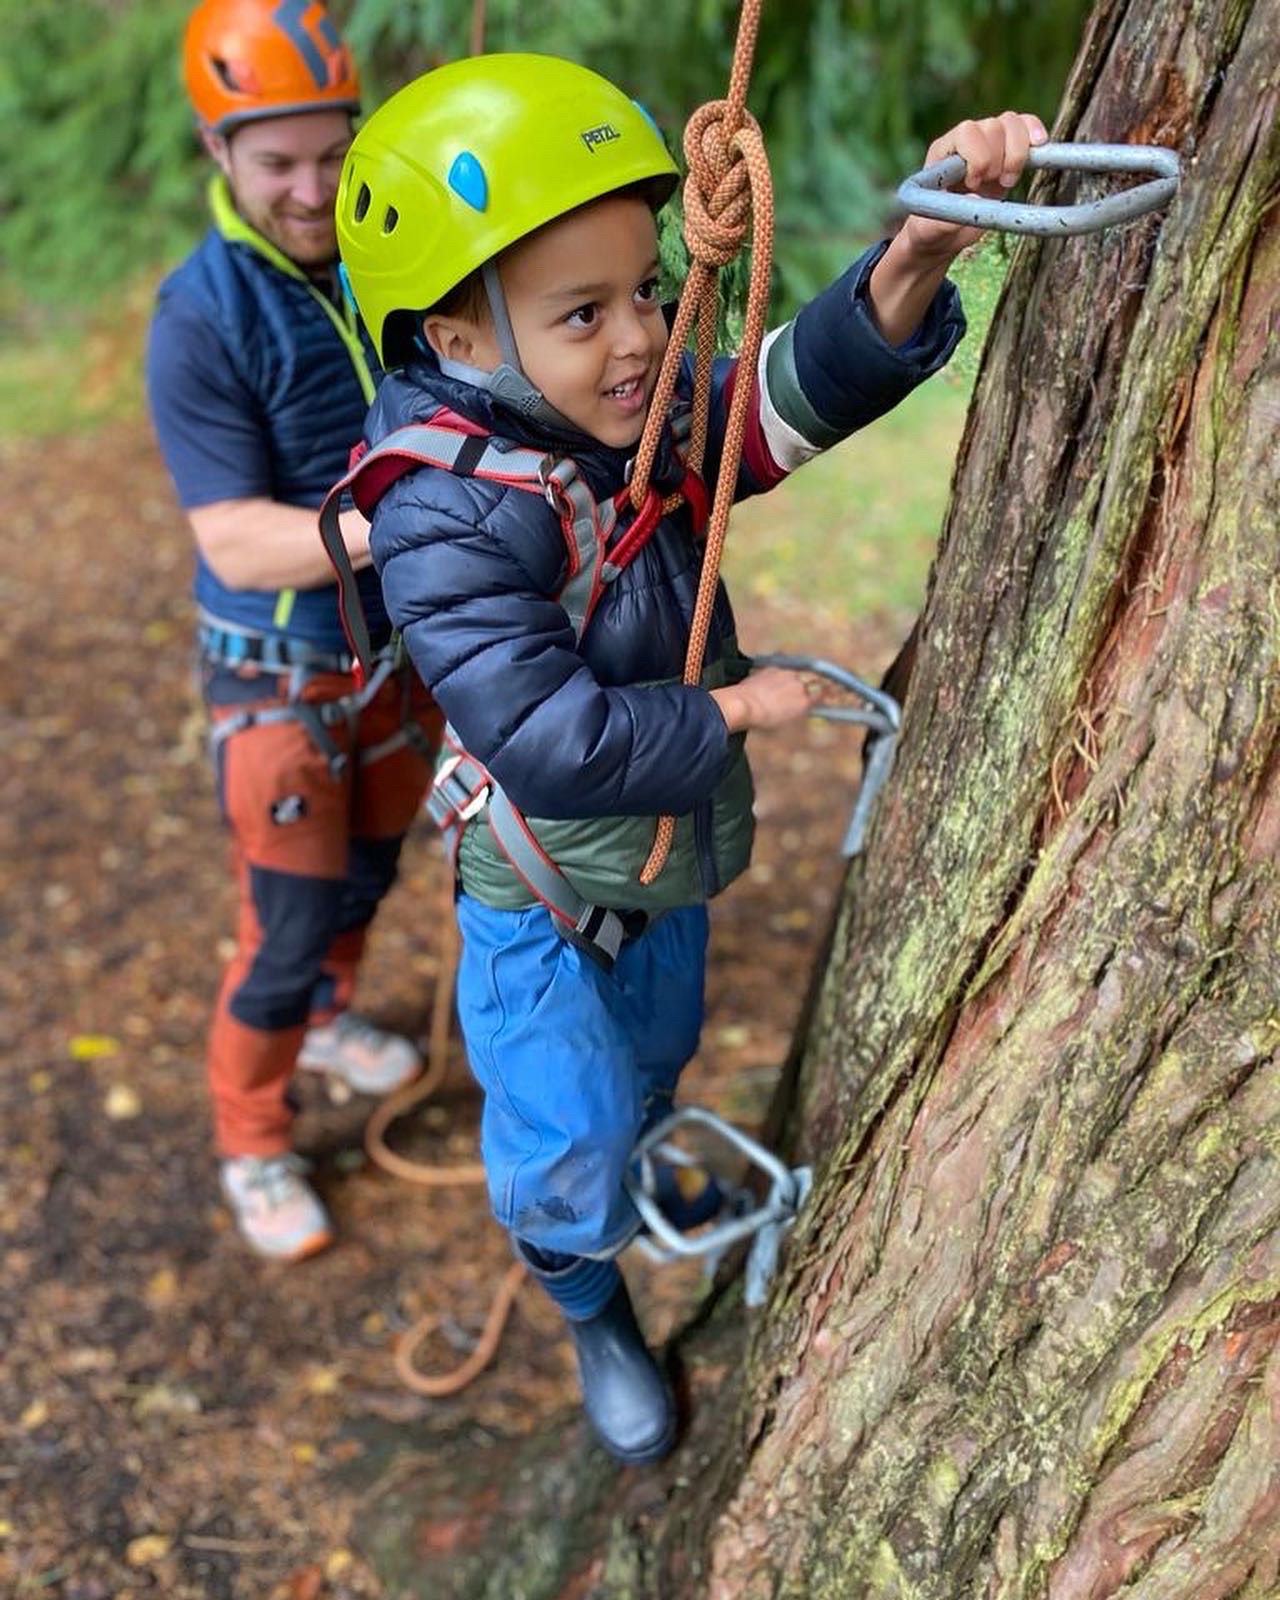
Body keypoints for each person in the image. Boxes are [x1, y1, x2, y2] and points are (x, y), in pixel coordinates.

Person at [332, 53, 1044, 1460]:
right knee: (568, 1153)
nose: (643, 336)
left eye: (648, 292)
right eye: (584, 311)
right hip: (539, 893)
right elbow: (540, 735)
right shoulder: (441, 517)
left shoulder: (626, 425)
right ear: (464, 342)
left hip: (660, 867)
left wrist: (906, 265)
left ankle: (636, 1158)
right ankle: (594, 1304)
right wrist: (732, 711)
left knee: (656, 1063)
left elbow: (768, 408)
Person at [145, 0, 442, 1263]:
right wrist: (424, 523)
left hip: (397, 658)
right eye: (278, 162)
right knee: (282, 929)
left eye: (333, 152)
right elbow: (232, 538)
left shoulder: (390, 262)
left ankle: (329, 1017)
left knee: (366, 883)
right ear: (220, 154)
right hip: (278, 673)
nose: (312, 188)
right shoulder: (201, 313)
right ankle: (251, 1137)